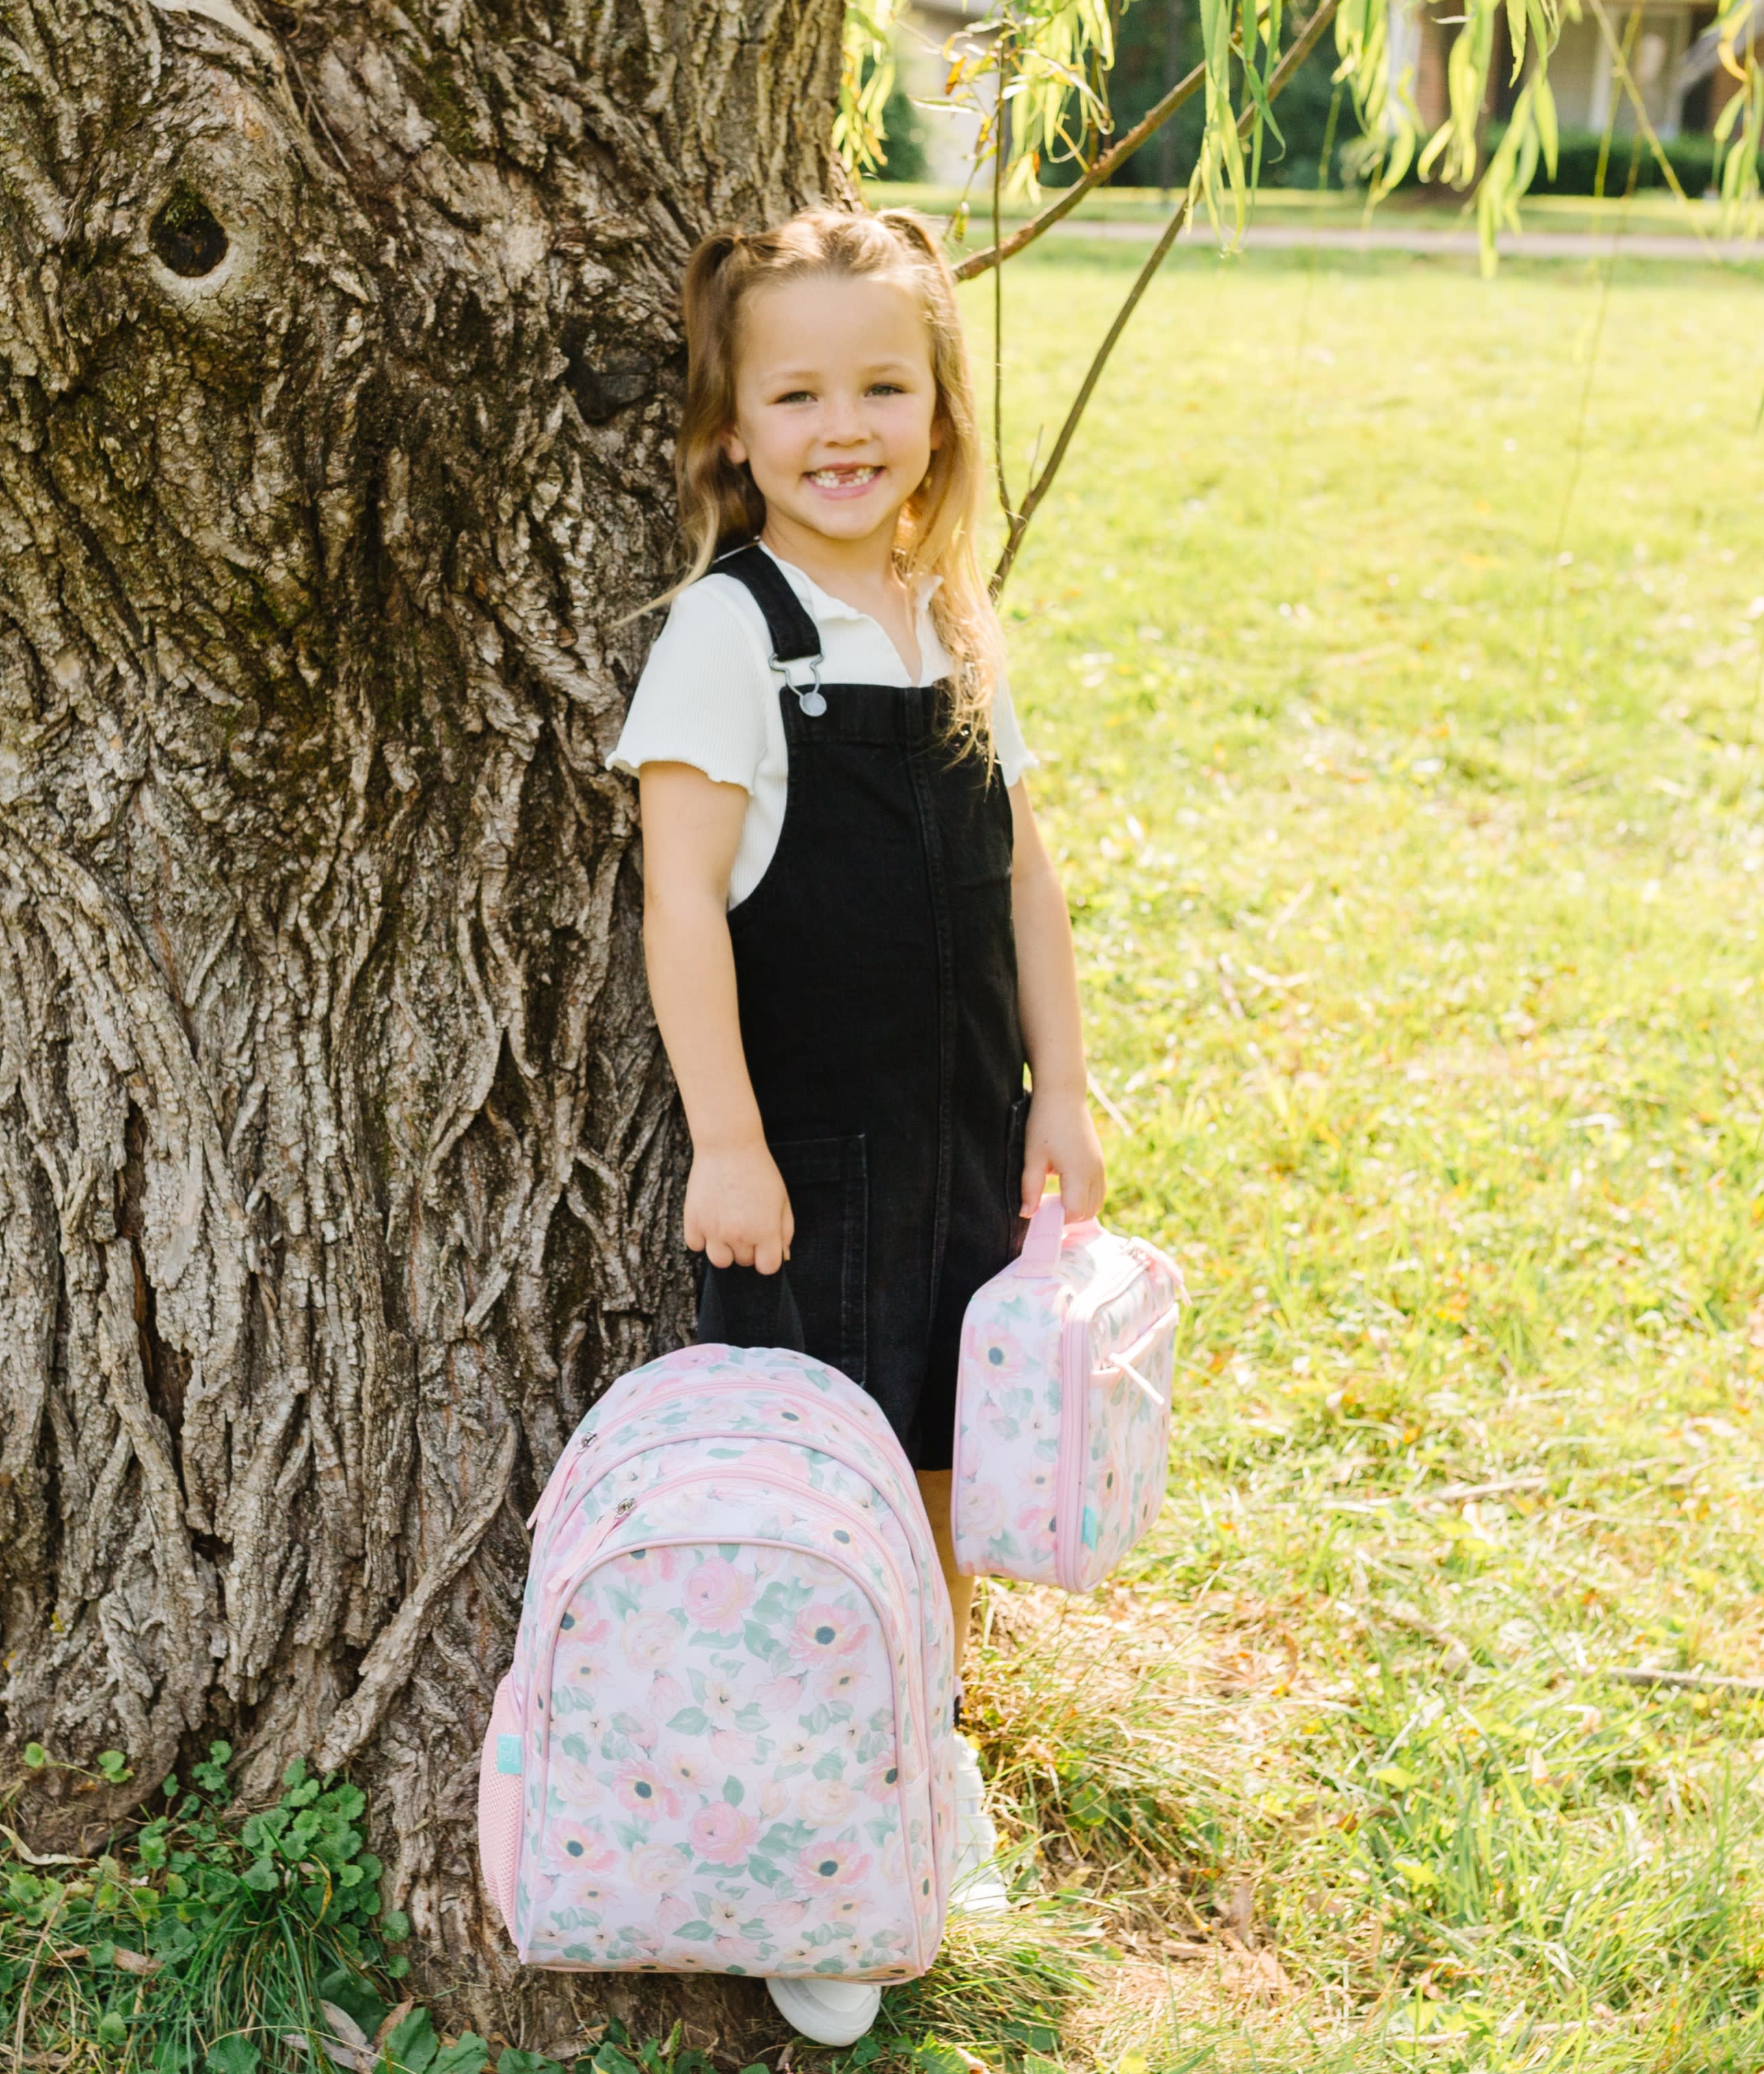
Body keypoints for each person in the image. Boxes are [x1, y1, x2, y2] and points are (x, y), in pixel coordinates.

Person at [609, 207, 1105, 2045]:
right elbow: (681, 905)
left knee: (945, 1489)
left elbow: (1022, 875)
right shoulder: (728, 636)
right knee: (823, 1510)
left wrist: (1063, 1078)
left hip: (966, 1134)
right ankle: (810, 1848)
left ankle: (919, 1770)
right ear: (728, 427)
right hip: (809, 1165)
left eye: (881, 383)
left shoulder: (944, 609)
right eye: (795, 389)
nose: (844, 423)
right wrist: (722, 1136)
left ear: (937, 408)